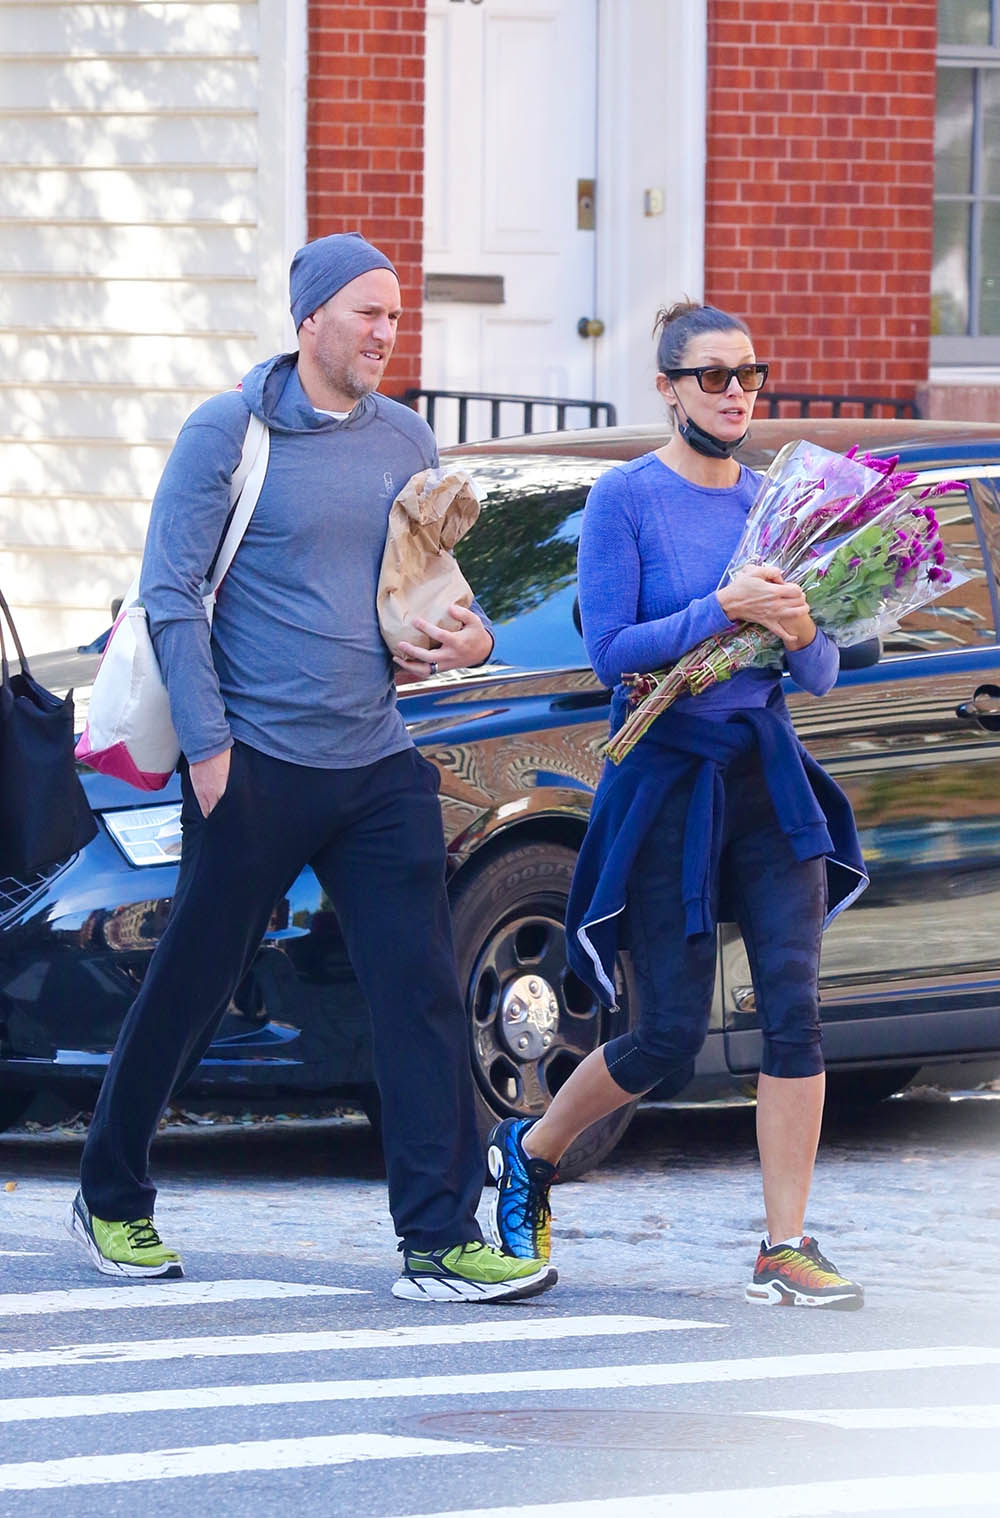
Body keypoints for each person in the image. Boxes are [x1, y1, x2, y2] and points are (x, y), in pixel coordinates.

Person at [68, 232, 556, 1305]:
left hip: (377, 759)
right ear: (310, 321)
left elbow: (424, 588)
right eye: (367, 313)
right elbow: (171, 596)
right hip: (257, 762)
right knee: (195, 984)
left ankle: (437, 1239)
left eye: (395, 315)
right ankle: (111, 1194)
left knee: (422, 990)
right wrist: (208, 750)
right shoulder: (226, 434)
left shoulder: (403, 438)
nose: (386, 332)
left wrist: (463, 641)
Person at [488, 300, 866, 1310]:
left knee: (794, 1009)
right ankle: (528, 1151)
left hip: (764, 772)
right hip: (666, 776)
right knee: (664, 1039)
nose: (736, 390)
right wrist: (724, 609)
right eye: (712, 375)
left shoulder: (778, 501)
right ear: (666, 385)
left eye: (748, 373)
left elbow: (823, 669)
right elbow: (611, 651)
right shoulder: (627, 500)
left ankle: (784, 1244)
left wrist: (794, 626)